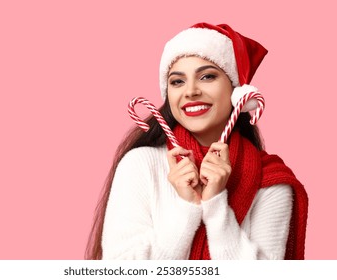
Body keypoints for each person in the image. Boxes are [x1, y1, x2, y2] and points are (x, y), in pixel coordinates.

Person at [85, 22, 308, 260]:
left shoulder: (271, 180)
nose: (190, 91)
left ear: (236, 92)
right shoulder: (140, 164)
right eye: (177, 81)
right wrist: (185, 206)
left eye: (207, 76)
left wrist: (215, 204)